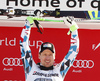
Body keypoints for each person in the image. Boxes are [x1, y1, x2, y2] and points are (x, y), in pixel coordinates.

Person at [20, 16, 79, 81]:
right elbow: (23, 45)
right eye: (45, 54)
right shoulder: (30, 68)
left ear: (54, 56)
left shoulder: (60, 70)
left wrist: (74, 29)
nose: (47, 58)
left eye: (50, 55)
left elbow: (73, 52)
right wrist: (28, 24)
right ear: (39, 55)